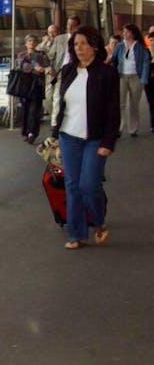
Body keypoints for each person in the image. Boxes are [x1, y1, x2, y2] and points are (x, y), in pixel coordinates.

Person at [51, 25, 117, 250]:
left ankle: (99, 222)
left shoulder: (107, 73)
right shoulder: (68, 70)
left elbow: (113, 111)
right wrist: (54, 134)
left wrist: (108, 143)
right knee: (72, 185)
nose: (79, 48)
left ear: (94, 47)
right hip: (68, 135)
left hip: (95, 138)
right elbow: (60, 104)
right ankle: (77, 234)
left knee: (89, 185)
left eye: (83, 44)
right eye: (75, 44)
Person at [109, 24, 150, 137]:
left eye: (126, 32)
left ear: (132, 33)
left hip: (135, 77)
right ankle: (119, 128)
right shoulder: (120, 46)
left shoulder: (140, 47)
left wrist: (144, 78)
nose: (124, 34)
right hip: (121, 76)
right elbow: (113, 59)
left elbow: (146, 62)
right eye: (123, 32)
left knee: (134, 104)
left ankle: (133, 129)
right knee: (120, 103)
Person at [14, 34, 50, 143]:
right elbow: (22, 66)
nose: (31, 43)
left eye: (34, 41)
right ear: (26, 43)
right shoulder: (22, 55)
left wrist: (39, 67)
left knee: (35, 110)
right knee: (25, 109)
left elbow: (45, 65)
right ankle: (25, 131)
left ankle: (32, 133)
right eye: (29, 41)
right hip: (25, 86)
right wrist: (34, 67)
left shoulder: (41, 54)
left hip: (37, 85)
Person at [48, 16, 80, 124]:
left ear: (77, 27)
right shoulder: (59, 39)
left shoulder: (81, 39)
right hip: (60, 71)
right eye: (68, 24)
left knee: (68, 97)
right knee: (53, 97)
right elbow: (50, 56)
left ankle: (61, 122)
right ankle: (55, 121)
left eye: (73, 25)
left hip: (75, 72)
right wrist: (50, 68)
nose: (69, 27)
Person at [40, 24, 58, 117]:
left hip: (60, 75)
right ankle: (54, 116)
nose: (51, 34)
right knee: (46, 98)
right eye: (49, 32)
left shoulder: (62, 44)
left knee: (58, 98)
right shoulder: (44, 45)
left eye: (53, 32)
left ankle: (56, 121)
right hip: (49, 76)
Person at [146, 32, 154, 133]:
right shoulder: (146, 51)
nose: (153, 42)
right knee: (152, 102)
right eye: (151, 40)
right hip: (150, 80)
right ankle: (153, 124)